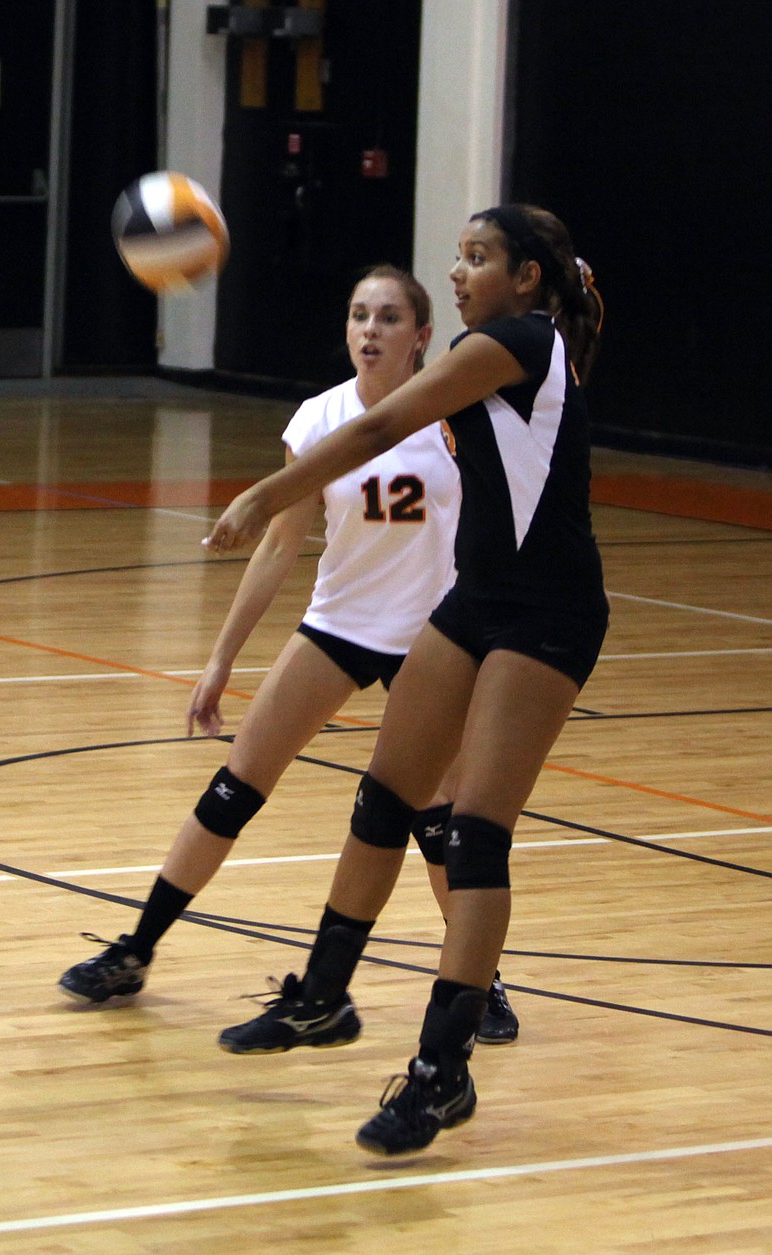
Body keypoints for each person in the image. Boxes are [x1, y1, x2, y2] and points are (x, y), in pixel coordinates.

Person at [205, 204, 608, 1155]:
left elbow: (384, 423)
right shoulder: (528, 338)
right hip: (478, 599)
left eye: (479, 258)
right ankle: (322, 997)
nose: (460, 271)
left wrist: (268, 490)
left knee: (473, 834)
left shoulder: (507, 342)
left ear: (528, 281)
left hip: (547, 615)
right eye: (458, 256)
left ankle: (440, 1073)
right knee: (384, 800)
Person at [58, 264, 519, 1046]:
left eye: (388, 317)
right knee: (235, 784)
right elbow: (279, 547)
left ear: (422, 337)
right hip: (339, 624)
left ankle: (482, 987)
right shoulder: (318, 418)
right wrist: (220, 658)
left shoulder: (453, 420)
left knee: (440, 818)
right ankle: (136, 948)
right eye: (357, 315)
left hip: (431, 642)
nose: (369, 330)